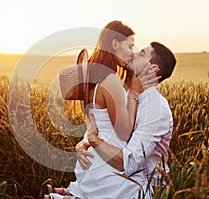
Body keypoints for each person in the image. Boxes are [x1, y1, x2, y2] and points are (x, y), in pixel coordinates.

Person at [39, 21, 160, 199]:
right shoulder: (111, 80)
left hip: (95, 160)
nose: (132, 53)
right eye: (130, 46)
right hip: (108, 165)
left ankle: (58, 196)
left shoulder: (94, 79)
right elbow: (123, 133)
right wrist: (133, 93)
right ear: (115, 44)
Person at [78, 41, 177, 198]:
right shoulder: (130, 96)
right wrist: (83, 144)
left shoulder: (155, 109)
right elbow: (107, 131)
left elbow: (130, 163)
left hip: (143, 187)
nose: (134, 53)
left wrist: (94, 140)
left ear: (152, 69)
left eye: (142, 54)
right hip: (123, 176)